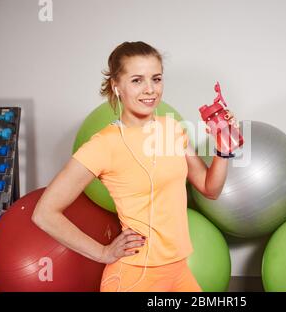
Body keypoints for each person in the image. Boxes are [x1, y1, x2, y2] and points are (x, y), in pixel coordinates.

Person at [32, 41, 238, 292]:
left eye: (156, 79)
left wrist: (223, 149)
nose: (150, 90)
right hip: (134, 277)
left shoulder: (170, 129)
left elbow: (210, 189)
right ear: (116, 86)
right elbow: (44, 213)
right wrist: (102, 252)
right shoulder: (103, 145)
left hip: (179, 270)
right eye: (137, 80)